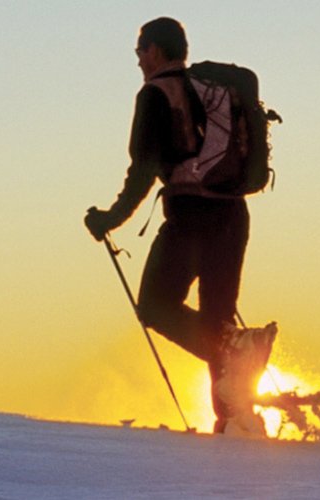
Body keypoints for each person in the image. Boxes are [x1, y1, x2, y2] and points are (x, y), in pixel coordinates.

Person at [84, 17, 276, 437]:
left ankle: (235, 357)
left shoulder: (156, 94)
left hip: (191, 214)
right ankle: (233, 420)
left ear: (155, 50)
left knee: (154, 305)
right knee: (216, 320)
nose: (137, 60)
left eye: (140, 51)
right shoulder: (208, 91)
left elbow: (144, 169)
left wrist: (110, 219)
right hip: (233, 214)